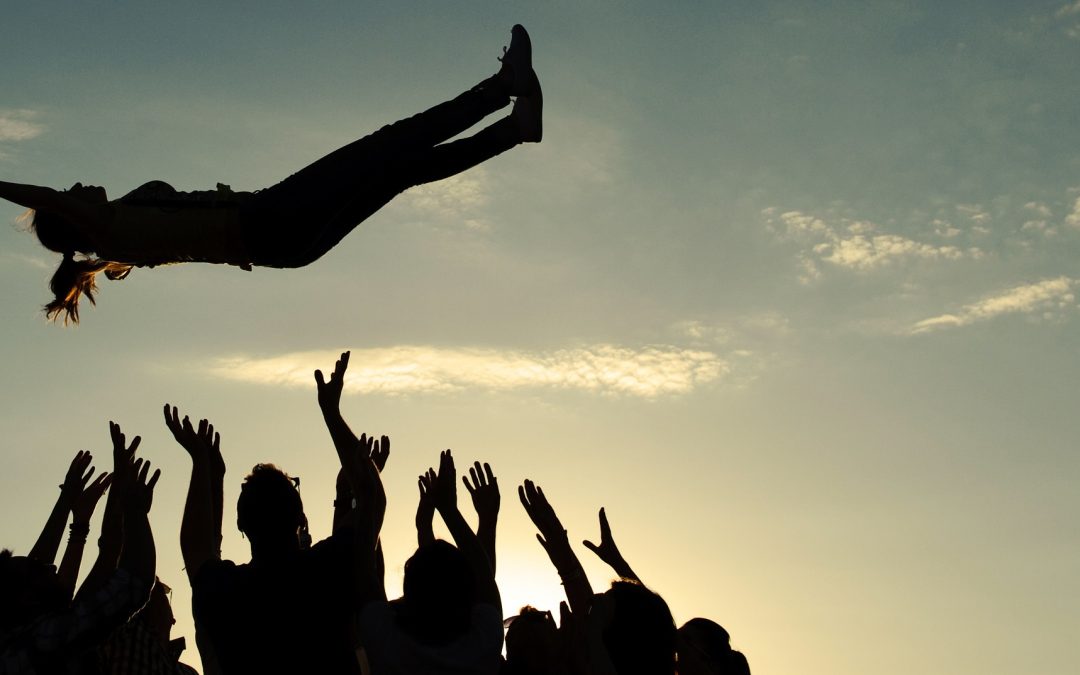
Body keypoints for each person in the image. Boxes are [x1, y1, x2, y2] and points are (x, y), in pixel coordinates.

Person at [0, 25, 543, 323]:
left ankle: (514, 127)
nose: (77, 188)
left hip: (283, 241)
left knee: (396, 169)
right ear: (71, 218)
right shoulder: (106, 230)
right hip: (270, 220)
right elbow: (44, 193)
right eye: (69, 196)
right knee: (387, 148)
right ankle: (501, 89)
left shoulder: (121, 229)